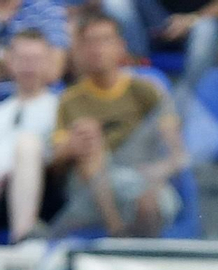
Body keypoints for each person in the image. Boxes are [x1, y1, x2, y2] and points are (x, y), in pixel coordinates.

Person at [48, 14, 187, 239]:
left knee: (147, 198)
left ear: (121, 47)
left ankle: (135, 252)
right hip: (88, 190)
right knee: (89, 136)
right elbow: (55, 160)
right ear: (80, 49)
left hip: (141, 177)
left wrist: (158, 171)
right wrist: (73, 146)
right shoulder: (69, 99)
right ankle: (117, 232)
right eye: (90, 42)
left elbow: (178, 155)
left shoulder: (148, 91)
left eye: (105, 40)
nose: (97, 49)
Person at [0, 29, 61, 242]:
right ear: (11, 62)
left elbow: (59, 158)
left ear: (47, 62)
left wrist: (8, 176)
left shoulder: (60, 108)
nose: (29, 66)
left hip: (42, 194)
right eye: (23, 59)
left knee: (27, 145)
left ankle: (22, 239)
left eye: (35, 59)